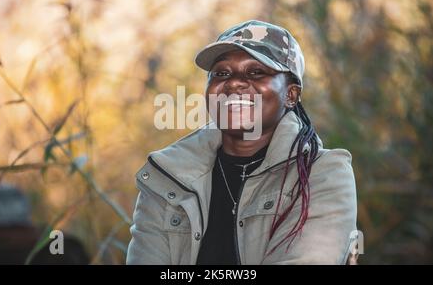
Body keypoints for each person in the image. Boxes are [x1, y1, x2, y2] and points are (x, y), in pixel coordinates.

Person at [126, 20, 357, 265]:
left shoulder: (322, 175)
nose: (234, 82)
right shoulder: (168, 176)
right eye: (221, 73)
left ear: (291, 95)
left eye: (256, 72)